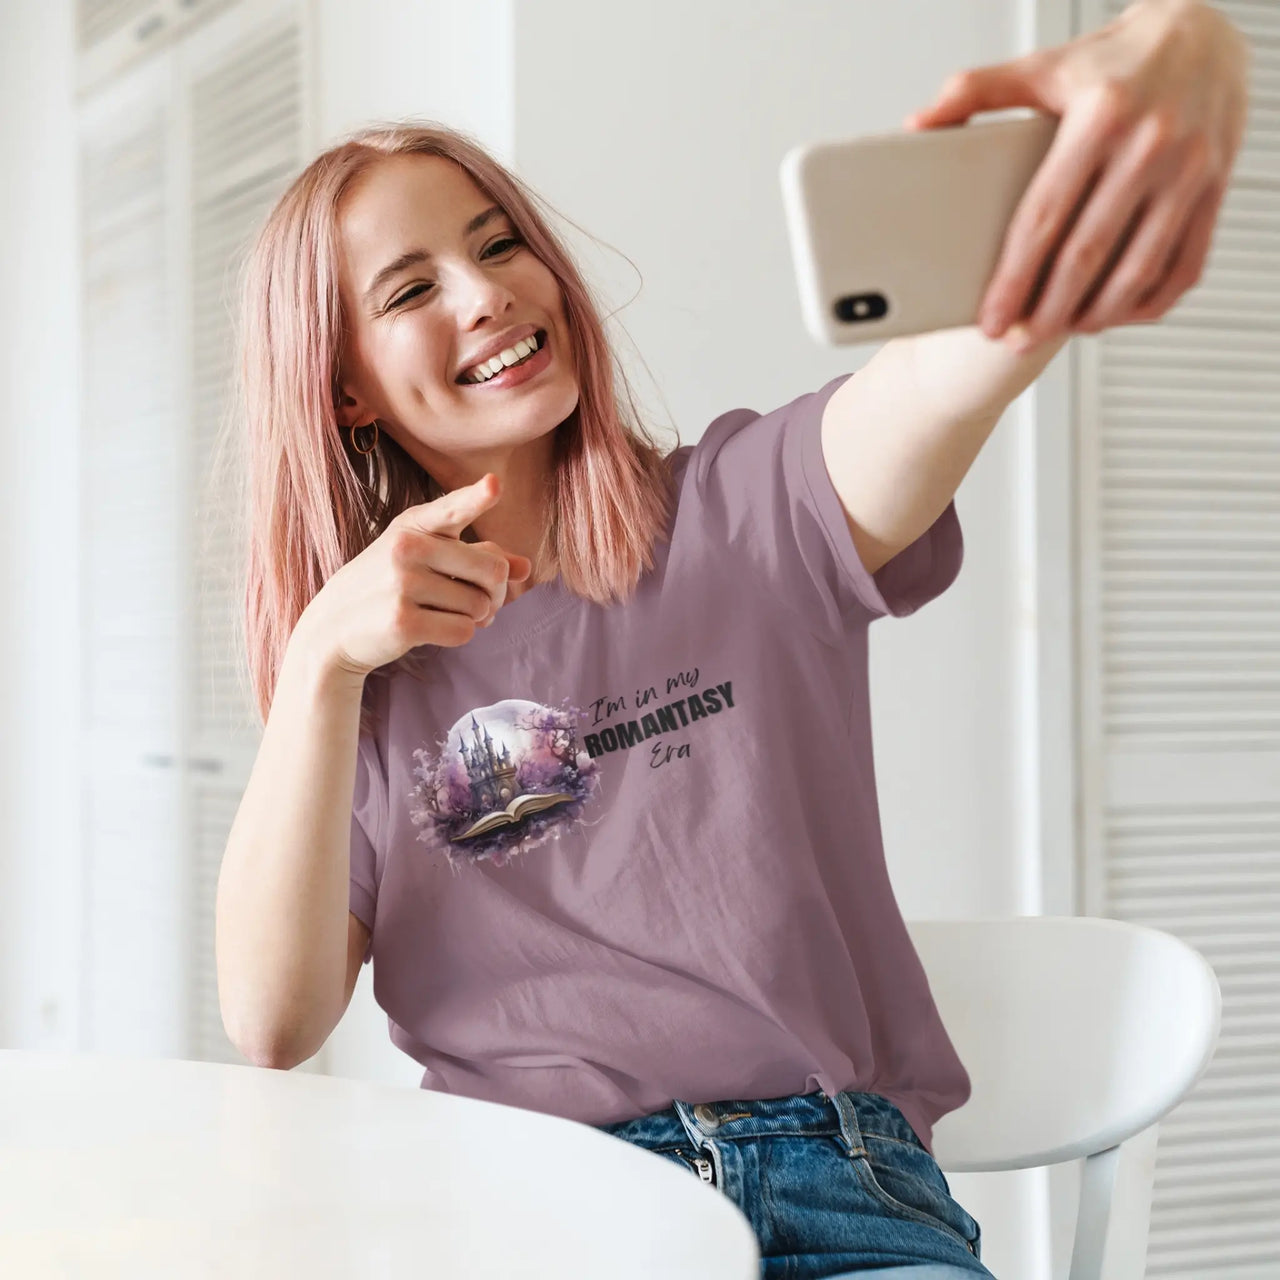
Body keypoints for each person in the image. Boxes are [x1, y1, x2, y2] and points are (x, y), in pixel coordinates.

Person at [214, 1, 1248, 1276]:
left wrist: (1186, 42)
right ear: (344, 386)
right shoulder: (362, 691)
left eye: (500, 245)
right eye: (413, 287)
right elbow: (270, 1023)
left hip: (844, 1189)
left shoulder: (748, 508)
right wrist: (319, 660)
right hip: (535, 1212)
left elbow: (970, 353)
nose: (487, 295)